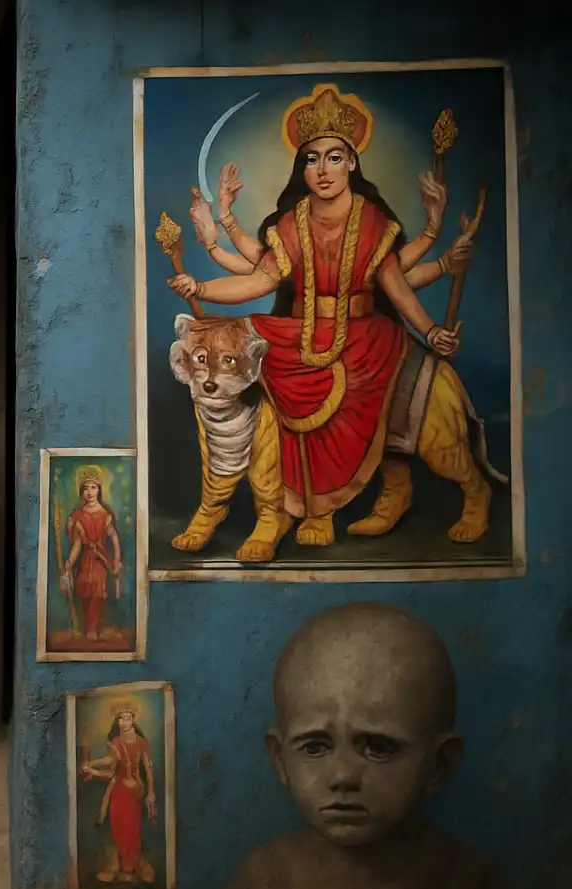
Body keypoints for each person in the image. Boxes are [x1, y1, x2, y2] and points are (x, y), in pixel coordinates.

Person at [201, 603, 542, 889]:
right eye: (315, 747)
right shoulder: (266, 881)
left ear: (439, 765)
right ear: (280, 760)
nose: (343, 776)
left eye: (378, 747)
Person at [169, 84, 467, 548]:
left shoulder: (375, 223)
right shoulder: (290, 223)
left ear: (352, 162)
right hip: (302, 334)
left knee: (351, 411)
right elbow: (260, 280)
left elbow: (397, 287)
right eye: (312, 159)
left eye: (334, 157)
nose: (323, 170)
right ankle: (283, 509)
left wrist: (430, 332)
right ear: (302, 168)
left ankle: (349, 504)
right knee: (241, 345)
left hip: (364, 338)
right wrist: (201, 288)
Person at [81, 700, 158, 884]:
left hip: (134, 791)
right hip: (118, 790)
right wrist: (91, 764)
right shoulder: (116, 741)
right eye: (120, 718)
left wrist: (151, 793)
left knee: (133, 829)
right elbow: (110, 761)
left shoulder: (142, 743)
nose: (123, 722)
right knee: (118, 828)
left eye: (127, 718)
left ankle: (135, 867)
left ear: (133, 719)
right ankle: (120, 867)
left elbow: (148, 769)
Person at [61, 465, 123, 641]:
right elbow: (77, 544)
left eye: (93, 487)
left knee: (97, 593)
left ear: (99, 490)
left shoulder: (106, 515)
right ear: (82, 492)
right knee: (84, 591)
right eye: (86, 488)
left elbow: (115, 539)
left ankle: (92, 629)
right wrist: (69, 565)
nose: (89, 492)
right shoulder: (78, 516)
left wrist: (117, 560)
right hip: (85, 561)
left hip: (100, 560)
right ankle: (88, 627)